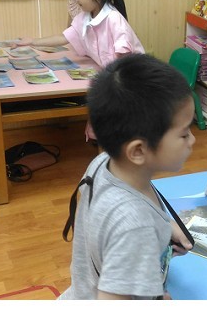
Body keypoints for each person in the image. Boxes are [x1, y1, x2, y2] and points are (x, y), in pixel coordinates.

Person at [60, 54, 194, 299]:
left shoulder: (103, 163)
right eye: (184, 134)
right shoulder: (135, 226)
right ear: (138, 151)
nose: (192, 140)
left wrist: (165, 228)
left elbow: (109, 226)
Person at [17, 0, 142, 67]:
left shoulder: (113, 18)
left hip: (131, 76)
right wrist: (32, 41)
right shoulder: (84, 17)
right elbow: (63, 37)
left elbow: (123, 57)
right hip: (110, 73)